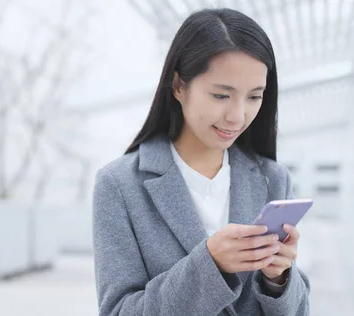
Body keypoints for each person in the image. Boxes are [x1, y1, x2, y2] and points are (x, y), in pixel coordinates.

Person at [92, 8, 310, 316]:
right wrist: (209, 264)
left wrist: (279, 280)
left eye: (254, 97)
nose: (237, 116)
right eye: (222, 96)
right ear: (180, 86)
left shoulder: (273, 179)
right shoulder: (120, 184)